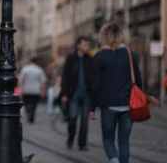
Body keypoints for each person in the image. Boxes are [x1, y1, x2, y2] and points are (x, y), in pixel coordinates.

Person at [90, 23, 142, 163]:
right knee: (124, 142)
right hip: (127, 104)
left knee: (108, 139)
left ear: (103, 37)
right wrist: (141, 99)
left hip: (108, 106)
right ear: (122, 35)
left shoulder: (99, 57)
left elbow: (95, 85)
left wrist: (92, 107)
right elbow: (138, 79)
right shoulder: (130, 54)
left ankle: (114, 161)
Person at [61, 36, 92, 151]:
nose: (87, 47)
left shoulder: (90, 59)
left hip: (86, 95)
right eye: (85, 44)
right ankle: (70, 138)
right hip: (73, 94)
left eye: (87, 45)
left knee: (84, 120)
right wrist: (64, 94)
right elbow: (65, 77)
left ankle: (82, 144)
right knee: (73, 118)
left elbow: (93, 77)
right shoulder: (70, 59)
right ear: (78, 45)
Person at [19, 58, 46, 124]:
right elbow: (43, 81)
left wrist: (20, 88)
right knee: (34, 104)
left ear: (30, 62)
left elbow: (21, 79)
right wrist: (43, 91)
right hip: (36, 90)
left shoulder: (25, 69)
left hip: (26, 89)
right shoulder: (39, 69)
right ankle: (32, 115)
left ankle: (28, 112)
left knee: (26, 103)